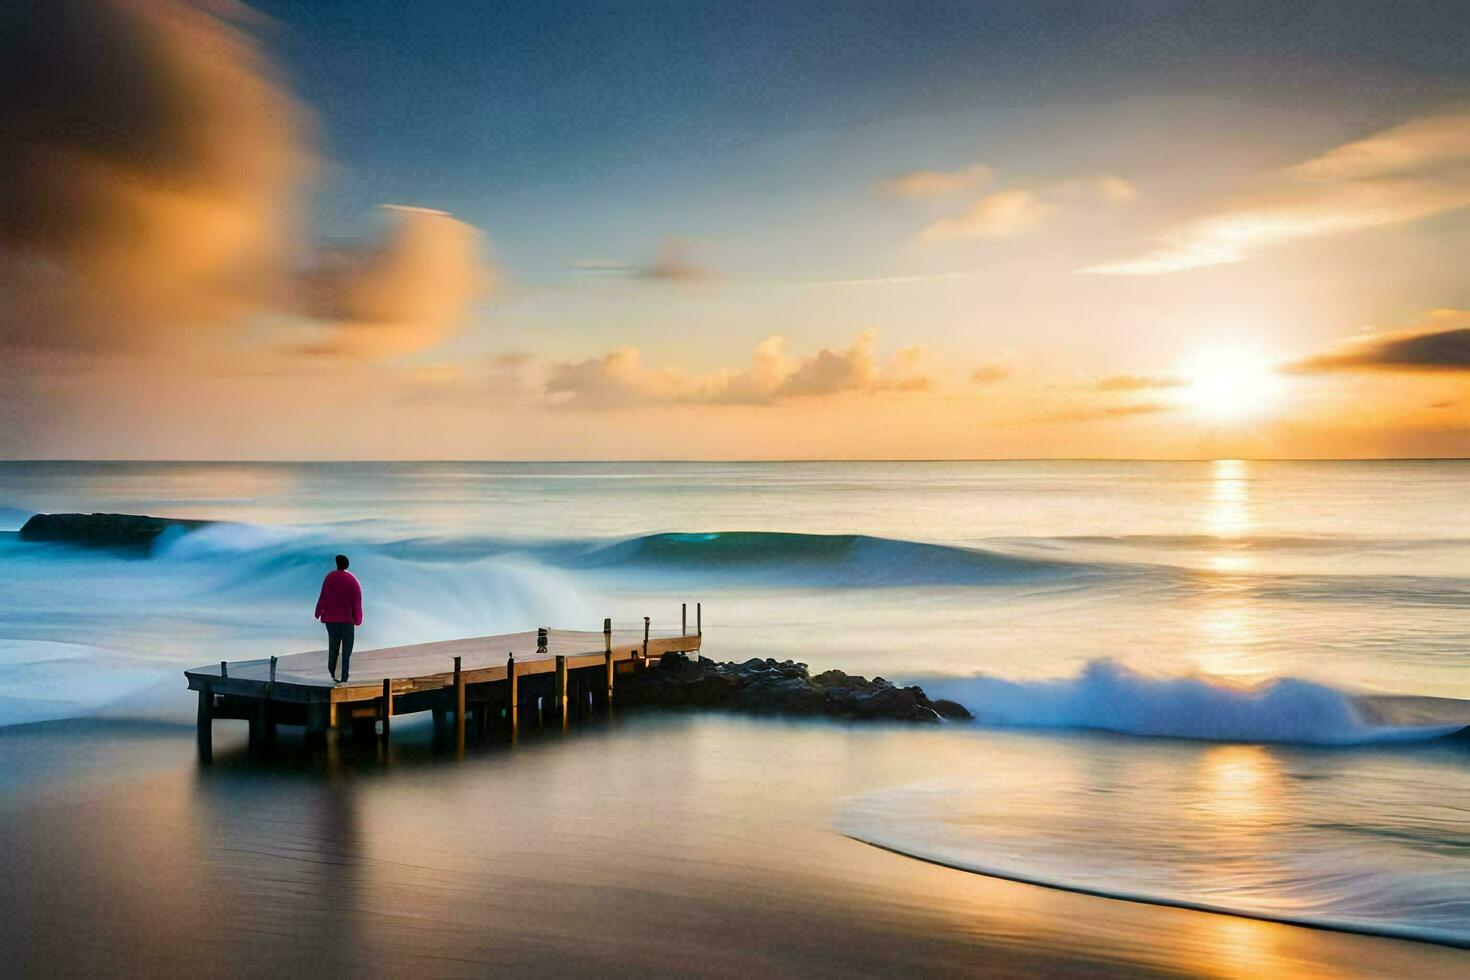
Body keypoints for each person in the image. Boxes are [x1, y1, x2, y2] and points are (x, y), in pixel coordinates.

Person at [314, 554, 363, 683]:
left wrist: (318, 612)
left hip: (331, 620)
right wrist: (358, 619)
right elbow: (356, 601)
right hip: (347, 621)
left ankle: (332, 673)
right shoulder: (352, 580)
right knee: (346, 650)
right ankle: (344, 676)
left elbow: (323, 596)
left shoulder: (329, 577)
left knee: (333, 646)